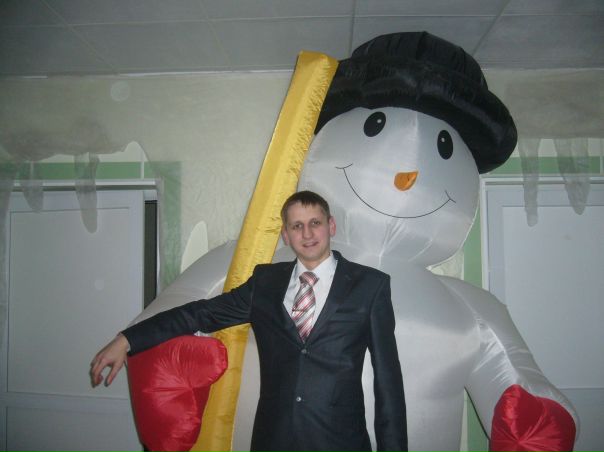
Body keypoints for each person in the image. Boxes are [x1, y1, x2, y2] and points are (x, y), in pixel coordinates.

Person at [90, 190, 407, 452]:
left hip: (340, 441)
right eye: (296, 226)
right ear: (285, 234)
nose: (307, 233)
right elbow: (201, 313)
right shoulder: (265, 283)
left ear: (331, 225)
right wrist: (128, 339)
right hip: (274, 440)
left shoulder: (370, 286)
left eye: (315, 223)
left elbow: (388, 383)